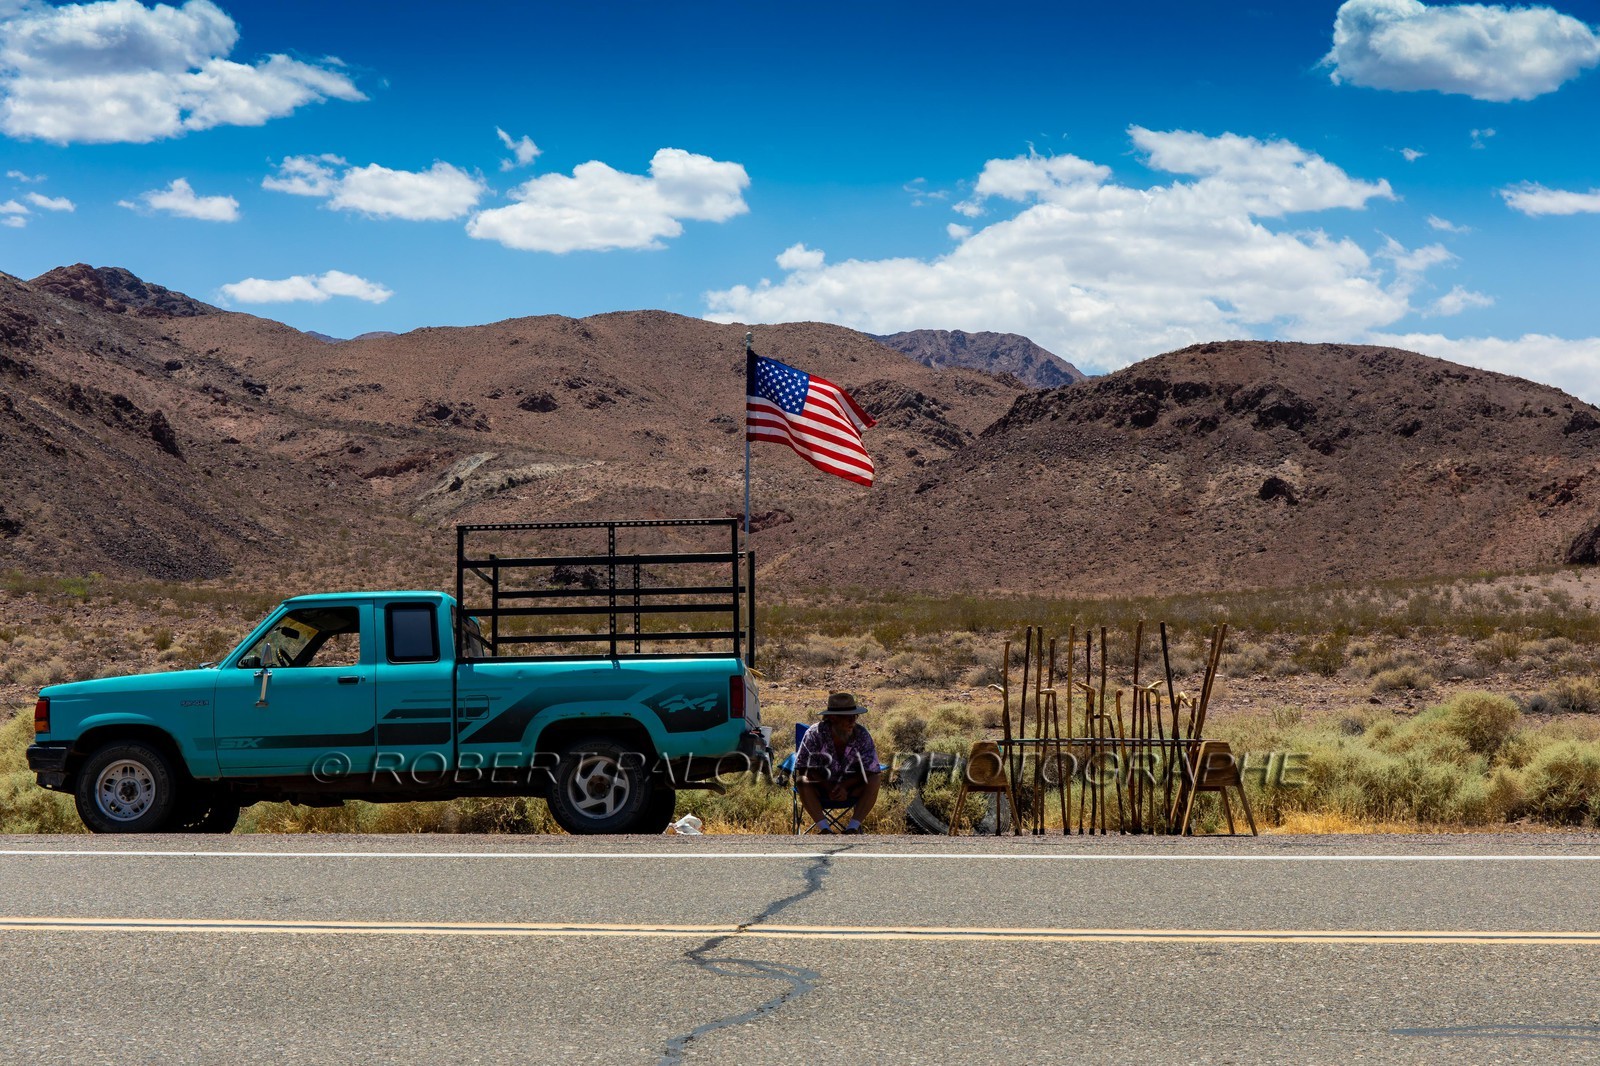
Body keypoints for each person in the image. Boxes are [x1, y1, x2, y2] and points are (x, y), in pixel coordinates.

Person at [793, 691, 881, 834]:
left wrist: (844, 786)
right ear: (832, 718)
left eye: (855, 716)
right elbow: (805, 769)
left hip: (852, 788)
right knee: (802, 780)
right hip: (821, 788)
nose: (853, 721)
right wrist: (829, 788)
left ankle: (852, 828)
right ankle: (825, 830)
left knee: (875, 778)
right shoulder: (814, 734)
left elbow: (871, 769)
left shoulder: (862, 735)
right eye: (847, 717)